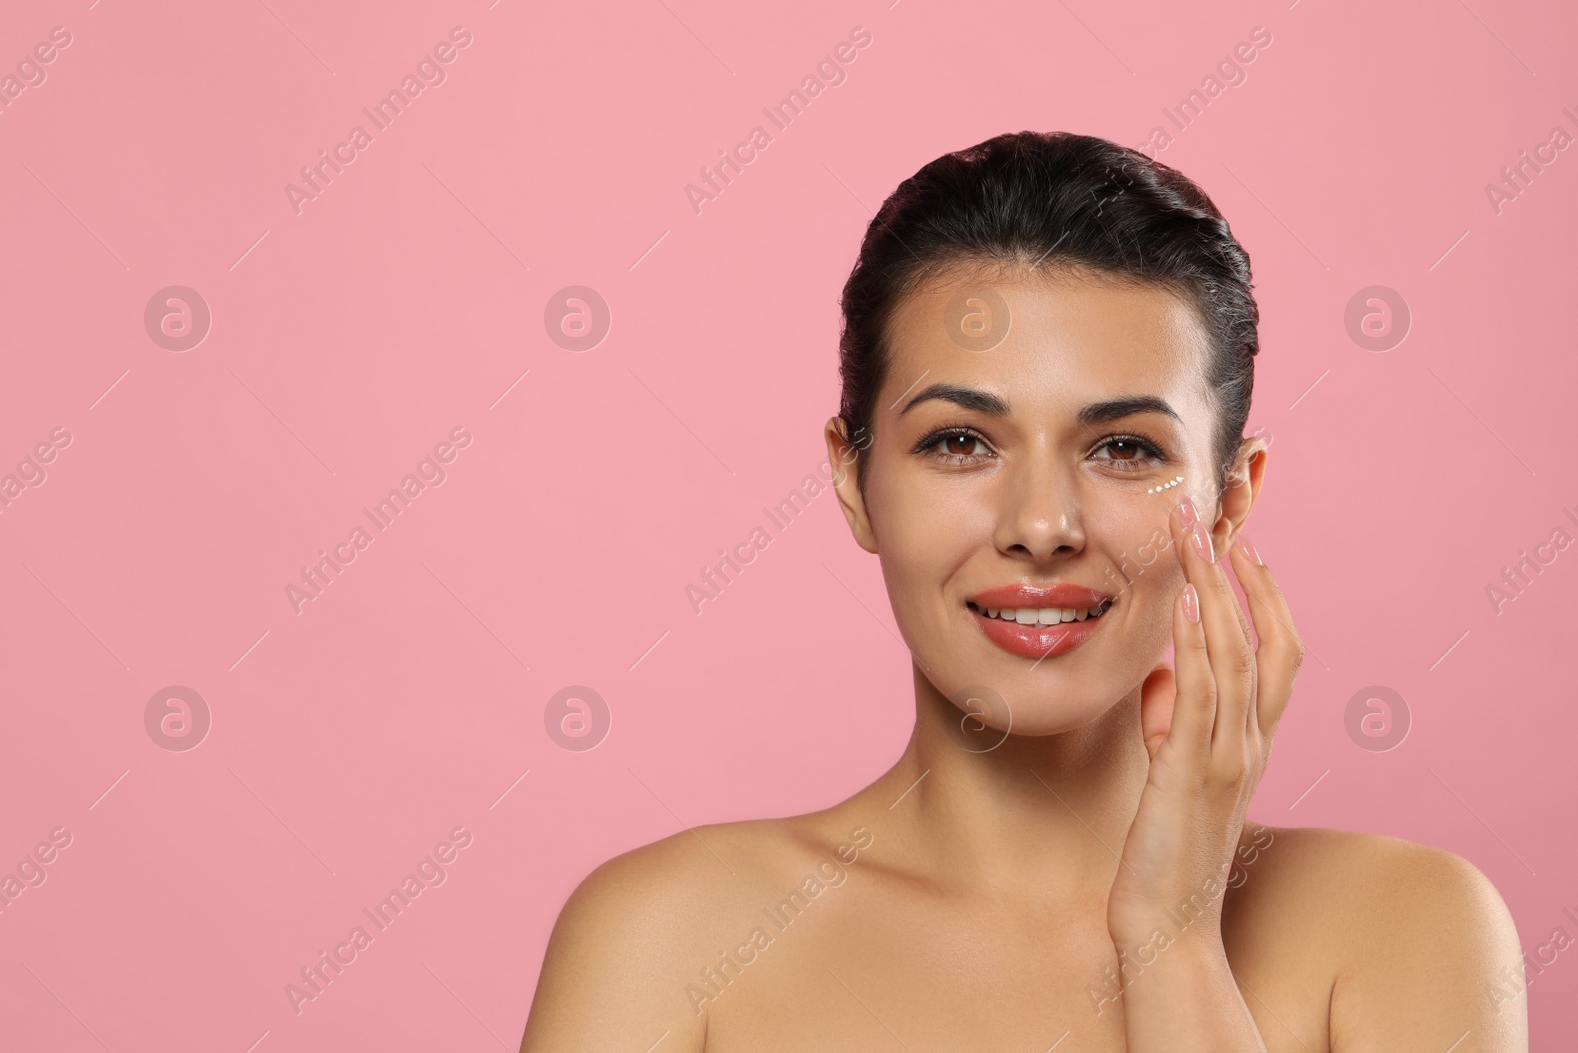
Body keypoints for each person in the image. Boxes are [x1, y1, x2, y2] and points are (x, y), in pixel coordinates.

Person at [519, 131, 1527, 1051]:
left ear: (1228, 502)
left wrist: (1168, 935)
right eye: (959, 441)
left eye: (1124, 448)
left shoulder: (1404, 925)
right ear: (852, 480)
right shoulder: (666, 938)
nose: (1041, 524)